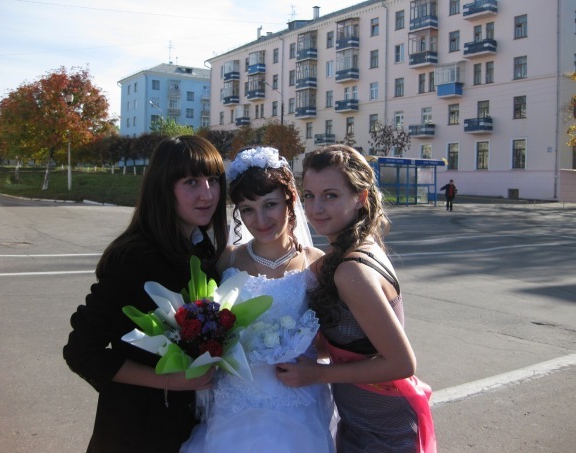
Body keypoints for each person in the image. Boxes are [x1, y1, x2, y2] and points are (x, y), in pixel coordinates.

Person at [63, 135, 228, 452]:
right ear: (163, 188)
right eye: (191, 182)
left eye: (213, 180)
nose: (207, 194)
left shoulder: (202, 249)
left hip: (192, 428)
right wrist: (170, 381)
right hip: (137, 431)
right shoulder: (135, 258)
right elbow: (82, 352)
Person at [276, 145, 436, 453]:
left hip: (383, 429)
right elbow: (354, 340)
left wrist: (319, 373)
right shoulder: (358, 248)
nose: (316, 208)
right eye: (309, 195)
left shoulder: (351, 270)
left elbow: (402, 362)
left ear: (360, 197)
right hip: (362, 419)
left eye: (330, 195)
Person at [181, 146, 335, 453]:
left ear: (291, 199)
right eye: (248, 209)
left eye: (270, 204)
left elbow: (329, 340)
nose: (260, 219)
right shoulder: (226, 260)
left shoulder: (317, 264)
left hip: (296, 403)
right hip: (234, 405)